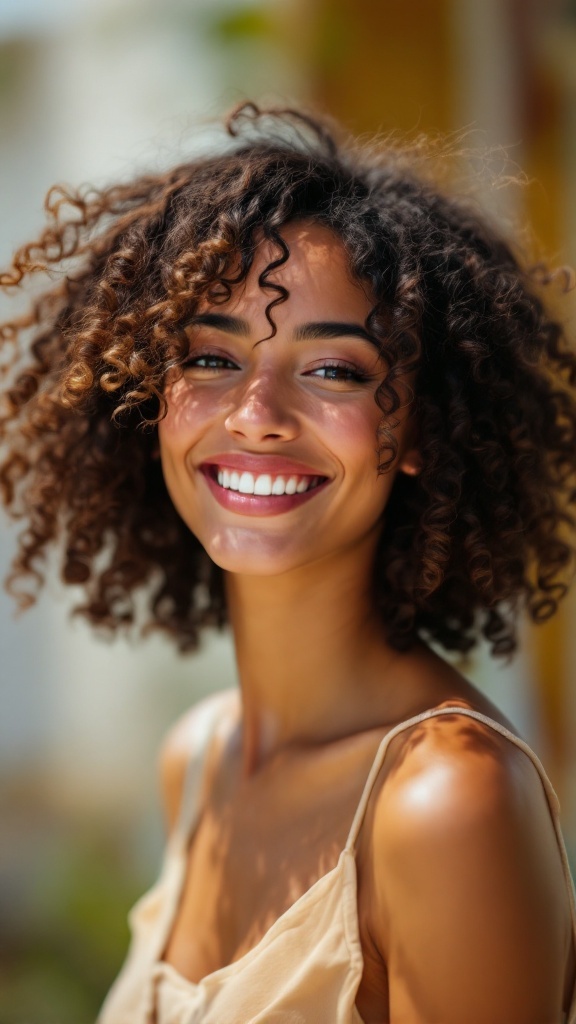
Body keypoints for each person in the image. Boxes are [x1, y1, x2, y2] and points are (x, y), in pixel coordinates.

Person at [1, 102, 576, 1024]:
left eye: (335, 370)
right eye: (211, 357)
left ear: (419, 426)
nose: (256, 412)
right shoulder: (199, 761)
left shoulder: (446, 802)